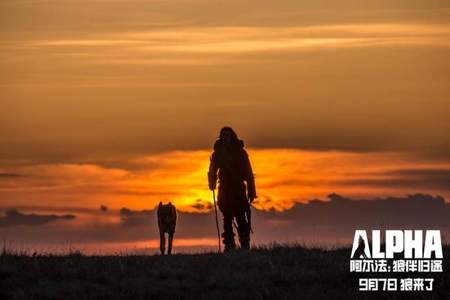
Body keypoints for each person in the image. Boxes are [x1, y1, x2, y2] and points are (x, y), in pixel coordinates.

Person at [208, 127, 256, 251]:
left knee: (241, 217)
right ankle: (229, 245)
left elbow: (249, 172)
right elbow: (212, 169)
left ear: (232, 136)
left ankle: (245, 243)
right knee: (227, 218)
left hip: (238, 188)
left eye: (227, 135)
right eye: (223, 135)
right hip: (224, 189)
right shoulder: (217, 153)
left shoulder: (240, 152)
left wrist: (251, 191)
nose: (225, 137)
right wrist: (212, 183)